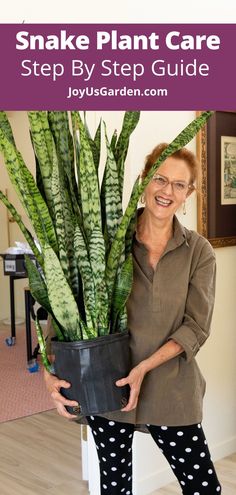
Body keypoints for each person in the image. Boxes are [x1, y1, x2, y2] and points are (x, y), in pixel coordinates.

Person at [44, 143, 222, 494]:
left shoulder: (198, 252)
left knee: (203, 488)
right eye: (160, 178)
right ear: (144, 179)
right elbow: (66, 316)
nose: (166, 191)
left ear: (190, 193)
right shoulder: (109, 242)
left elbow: (196, 326)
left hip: (171, 390)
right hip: (108, 388)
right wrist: (49, 376)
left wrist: (143, 369)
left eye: (179, 184)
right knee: (114, 488)